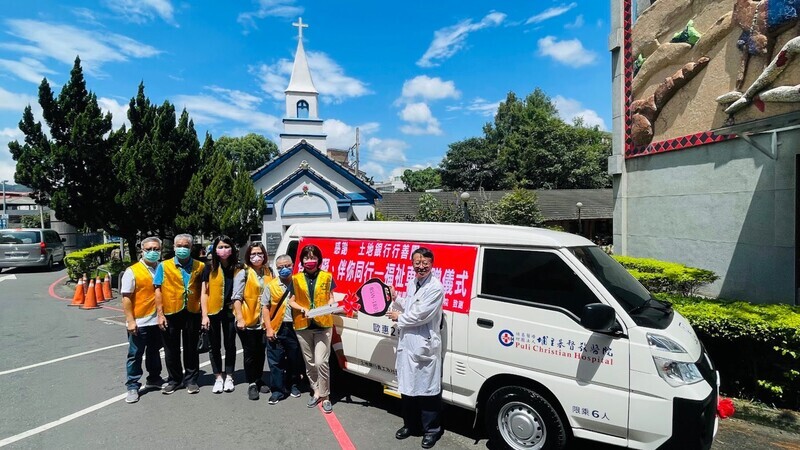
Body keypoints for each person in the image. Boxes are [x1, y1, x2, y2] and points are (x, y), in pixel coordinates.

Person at [386, 247, 445, 449]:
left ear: (431, 264)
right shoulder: (414, 283)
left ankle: (432, 431)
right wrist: (396, 299)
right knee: (408, 388)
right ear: (412, 264)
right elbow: (411, 305)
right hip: (408, 342)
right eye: (417, 263)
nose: (421, 267)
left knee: (427, 391)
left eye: (425, 264)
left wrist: (398, 317)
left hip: (424, 343)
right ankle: (410, 425)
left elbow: (421, 314)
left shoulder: (435, 287)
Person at [154, 233, 205, 395]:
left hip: (192, 311)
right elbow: (158, 290)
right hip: (171, 311)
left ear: (191, 248)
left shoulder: (200, 266)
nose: (182, 249)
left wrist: (204, 315)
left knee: (191, 348)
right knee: (171, 349)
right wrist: (160, 314)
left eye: (186, 246)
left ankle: (191, 380)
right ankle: (175, 379)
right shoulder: (164, 266)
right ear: (174, 248)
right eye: (179, 246)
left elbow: (205, 290)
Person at [289, 244, 337, 414]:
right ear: (302, 260)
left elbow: (331, 297)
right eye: (307, 258)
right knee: (309, 363)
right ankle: (315, 390)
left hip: (323, 325)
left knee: (321, 362)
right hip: (303, 325)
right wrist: (302, 309)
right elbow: (291, 300)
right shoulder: (296, 279)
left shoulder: (327, 277)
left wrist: (331, 305)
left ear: (319, 260)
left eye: (313, 258)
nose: (310, 261)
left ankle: (325, 396)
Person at [121, 236, 166, 404]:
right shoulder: (132, 271)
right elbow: (126, 297)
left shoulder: (162, 268)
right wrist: (130, 320)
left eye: (156, 249)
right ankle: (132, 385)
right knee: (135, 354)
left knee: (154, 351)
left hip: (158, 320)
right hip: (140, 320)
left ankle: (154, 378)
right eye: (149, 249)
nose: (153, 252)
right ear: (142, 250)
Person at [232, 241, 273, 400]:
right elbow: (236, 297)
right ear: (248, 256)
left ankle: (259, 378)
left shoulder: (269, 272)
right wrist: (240, 318)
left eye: (260, 254)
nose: (257, 257)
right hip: (248, 320)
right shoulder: (244, 273)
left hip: (265, 321)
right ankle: (251, 383)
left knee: (261, 352)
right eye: (253, 254)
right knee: (250, 353)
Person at [200, 236, 241, 394]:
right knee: (214, 346)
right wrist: (204, 315)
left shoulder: (238, 267)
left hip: (231, 312)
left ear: (232, 249)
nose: (223, 250)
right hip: (213, 312)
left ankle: (229, 375)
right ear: (215, 250)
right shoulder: (209, 268)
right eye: (220, 247)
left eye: (226, 246)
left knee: (230, 344)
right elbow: (204, 293)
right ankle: (218, 377)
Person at [262, 254, 304, 405]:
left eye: (287, 266)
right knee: (275, 360)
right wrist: (268, 328)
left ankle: (293, 385)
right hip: (277, 327)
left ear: (293, 265)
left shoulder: (299, 283)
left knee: (295, 358)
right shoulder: (271, 286)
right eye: (280, 267)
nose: (284, 269)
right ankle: (278, 391)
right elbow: (265, 308)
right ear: (276, 269)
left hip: (296, 327)